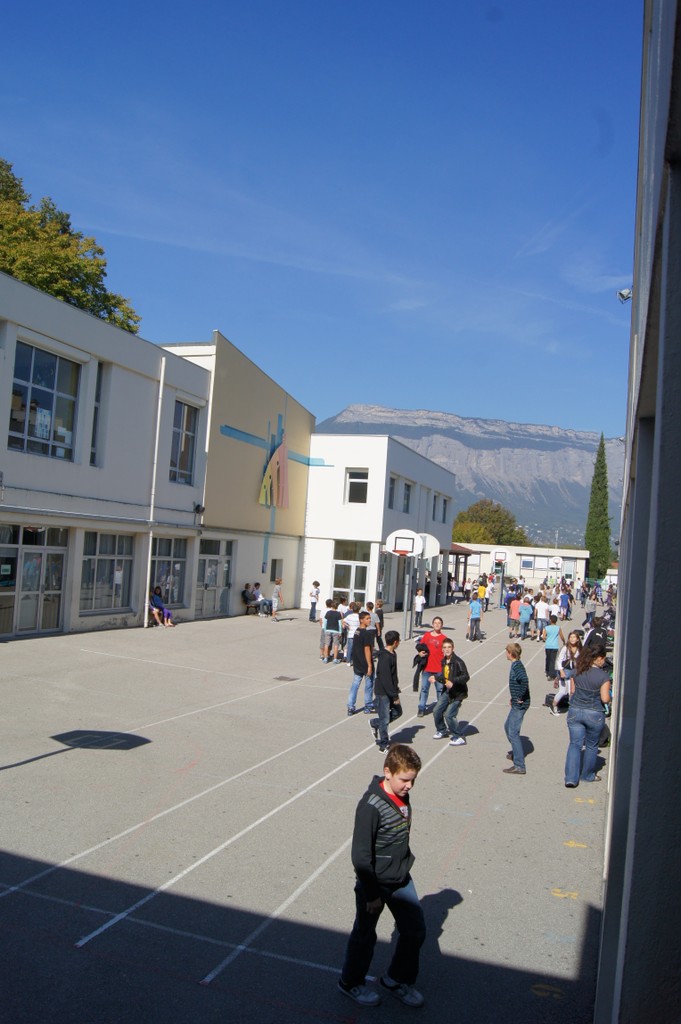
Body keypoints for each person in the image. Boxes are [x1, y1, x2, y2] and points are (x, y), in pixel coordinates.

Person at [338, 744, 426, 1008]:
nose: (409, 786)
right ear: (388, 772)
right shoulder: (370, 806)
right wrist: (372, 894)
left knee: (415, 931)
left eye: (413, 780)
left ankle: (396, 979)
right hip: (374, 885)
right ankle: (350, 982)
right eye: (405, 780)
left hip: (400, 878)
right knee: (365, 935)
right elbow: (360, 857)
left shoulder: (402, 795)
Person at [564, 643, 611, 788]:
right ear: (598, 658)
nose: (604, 661)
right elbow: (605, 699)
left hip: (575, 710)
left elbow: (572, 691)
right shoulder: (603, 676)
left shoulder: (577, 671)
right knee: (591, 745)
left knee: (575, 744)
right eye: (603, 658)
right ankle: (587, 775)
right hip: (594, 713)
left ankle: (571, 778)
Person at [431, 639, 470, 746]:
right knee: (436, 711)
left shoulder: (458, 662)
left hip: (457, 693)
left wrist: (453, 681)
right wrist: (436, 678)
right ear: (442, 650)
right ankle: (442, 730)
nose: (447, 649)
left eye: (449, 647)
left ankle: (459, 736)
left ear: (453, 648)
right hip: (447, 691)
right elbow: (445, 677)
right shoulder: (443, 661)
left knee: (449, 715)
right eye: (445, 647)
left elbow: (466, 676)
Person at [369, 631, 402, 752]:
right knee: (385, 719)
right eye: (399, 641)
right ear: (395, 642)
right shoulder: (385, 657)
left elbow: (393, 675)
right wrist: (394, 696)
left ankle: (375, 723)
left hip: (391, 690)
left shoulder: (393, 654)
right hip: (383, 692)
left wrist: (396, 689)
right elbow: (385, 678)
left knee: (398, 712)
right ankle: (383, 745)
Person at [503, 643, 530, 775]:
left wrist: (519, 697)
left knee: (513, 732)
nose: (505, 654)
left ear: (511, 653)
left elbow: (524, 680)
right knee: (507, 726)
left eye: (507, 652)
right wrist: (513, 697)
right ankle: (517, 751)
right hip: (516, 702)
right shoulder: (515, 665)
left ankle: (519, 765)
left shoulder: (517, 667)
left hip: (520, 704)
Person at [416, 617, 450, 717]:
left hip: (439, 669)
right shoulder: (427, 635)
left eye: (439, 623)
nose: (437, 624)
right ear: (432, 624)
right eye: (435, 623)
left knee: (440, 690)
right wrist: (420, 653)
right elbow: (420, 647)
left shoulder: (444, 638)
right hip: (427, 668)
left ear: (442, 625)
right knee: (424, 689)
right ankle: (421, 708)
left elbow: (448, 653)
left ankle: (440, 709)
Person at [347, 611, 375, 715]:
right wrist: (370, 665)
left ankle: (350, 706)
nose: (369, 620)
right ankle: (368, 705)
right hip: (365, 664)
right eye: (367, 618)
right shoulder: (366, 633)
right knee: (369, 685)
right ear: (361, 620)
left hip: (357, 663)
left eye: (369, 618)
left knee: (355, 684)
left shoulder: (357, 631)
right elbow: (367, 650)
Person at [550, 630, 583, 715]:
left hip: (574, 671)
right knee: (563, 691)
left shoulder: (579, 648)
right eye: (570, 637)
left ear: (578, 639)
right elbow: (559, 660)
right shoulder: (565, 648)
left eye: (574, 637)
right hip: (565, 671)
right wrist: (561, 671)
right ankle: (553, 706)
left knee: (571, 691)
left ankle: (572, 710)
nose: (572, 639)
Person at [544, 614, 564, 680]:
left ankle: (547, 670)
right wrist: (564, 641)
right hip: (555, 646)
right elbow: (561, 636)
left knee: (548, 658)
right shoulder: (558, 628)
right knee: (552, 660)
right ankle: (551, 674)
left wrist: (546, 639)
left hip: (548, 646)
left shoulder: (547, 628)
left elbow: (544, 636)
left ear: (550, 620)